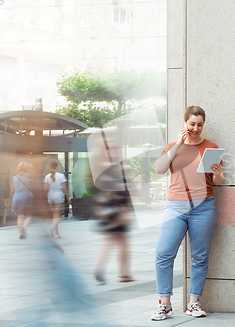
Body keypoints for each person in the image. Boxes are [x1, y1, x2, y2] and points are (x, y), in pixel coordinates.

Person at [151, 106, 224, 321]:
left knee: (199, 257)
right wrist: (178, 145)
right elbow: (159, 169)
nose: (196, 128)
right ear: (185, 122)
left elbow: (215, 182)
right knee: (163, 254)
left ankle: (194, 303)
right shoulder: (174, 146)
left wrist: (219, 174)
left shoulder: (211, 147)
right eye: (192, 124)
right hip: (175, 207)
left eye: (200, 124)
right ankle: (165, 304)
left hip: (203, 207)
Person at [92, 135, 135, 285]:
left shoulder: (100, 166)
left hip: (105, 208)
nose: (116, 151)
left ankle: (100, 269)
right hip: (116, 208)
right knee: (122, 241)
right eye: (112, 148)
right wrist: (123, 209)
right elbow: (120, 189)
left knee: (110, 240)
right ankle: (124, 274)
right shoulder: (113, 167)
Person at [44, 161, 70, 239]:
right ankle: (52, 228)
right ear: (57, 167)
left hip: (50, 196)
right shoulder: (61, 176)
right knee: (57, 215)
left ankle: (56, 233)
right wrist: (68, 198)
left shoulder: (47, 176)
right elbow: (65, 188)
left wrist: (50, 187)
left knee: (55, 215)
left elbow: (45, 189)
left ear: (50, 166)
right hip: (58, 196)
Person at [9, 161, 33, 239]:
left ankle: (21, 234)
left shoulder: (14, 178)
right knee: (29, 215)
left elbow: (12, 191)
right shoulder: (29, 176)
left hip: (17, 199)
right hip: (27, 198)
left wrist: (10, 201)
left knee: (20, 217)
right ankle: (24, 227)